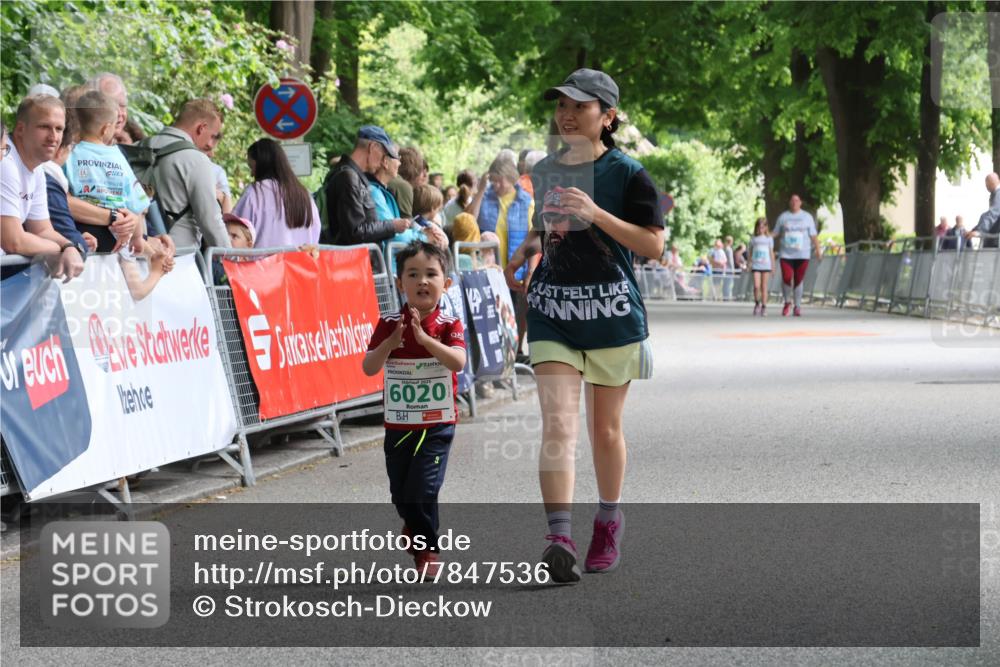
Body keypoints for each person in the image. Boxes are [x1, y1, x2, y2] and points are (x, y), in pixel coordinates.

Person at [504, 69, 664, 583]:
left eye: (580, 105)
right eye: (561, 105)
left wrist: (597, 214)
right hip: (554, 311)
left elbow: (653, 245)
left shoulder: (632, 175)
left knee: (605, 429)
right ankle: (559, 538)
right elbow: (544, 227)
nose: (566, 114)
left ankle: (608, 520)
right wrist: (527, 247)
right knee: (558, 424)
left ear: (608, 116)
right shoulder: (547, 169)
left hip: (612, 315)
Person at [362, 241, 467, 577]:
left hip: (438, 423)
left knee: (424, 488)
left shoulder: (450, 323)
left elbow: (459, 362)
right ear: (399, 283)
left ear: (446, 283)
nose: (423, 281)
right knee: (400, 492)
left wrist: (426, 342)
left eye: (431, 274)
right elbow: (368, 366)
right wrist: (391, 344)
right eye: (413, 274)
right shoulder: (389, 321)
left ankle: (427, 551)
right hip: (399, 423)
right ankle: (413, 526)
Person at [1, 96, 85, 281]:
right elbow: (13, 241)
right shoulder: (5, 161)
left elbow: (41, 229)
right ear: (21, 129)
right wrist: (61, 248)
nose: (53, 137)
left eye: (59, 129)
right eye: (44, 127)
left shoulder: (37, 167)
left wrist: (69, 246)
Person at [65, 90, 150, 253]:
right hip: (117, 235)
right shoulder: (118, 156)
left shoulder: (69, 153)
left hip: (82, 233)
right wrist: (138, 238)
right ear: (105, 129)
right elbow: (136, 205)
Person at [143, 98, 229, 248]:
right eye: (212, 136)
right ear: (201, 128)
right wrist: (232, 258)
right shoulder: (196, 160)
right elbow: (210, 220)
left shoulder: (138, 147)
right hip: (177, 259)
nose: (211, 146)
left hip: (134, 255)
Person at [321, 125, 409, 245]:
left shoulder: (350, 175)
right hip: (351, 261)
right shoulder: (348, 177)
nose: (384, 161)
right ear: (373, 147)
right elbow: (355, 232)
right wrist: (392, 226)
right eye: (384, 154)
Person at [233, 138, 320, 248]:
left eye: (252, 167)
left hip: (263, 264)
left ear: (262, 165)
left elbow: (236, 232)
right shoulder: (304, 194)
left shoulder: (254, 193)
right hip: (300, 263)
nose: (251, 174)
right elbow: (315, 234)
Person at [773, 193, 821, 316]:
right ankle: (787, 302)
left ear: (800, 203)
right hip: (786, 253)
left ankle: (797, 306)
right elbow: (775, 233)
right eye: (792, 200)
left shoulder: (807, 217)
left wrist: (818, 250)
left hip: (803, 253)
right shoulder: (783, 217)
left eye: (797, 200)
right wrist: (762, 236)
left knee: (799, 279)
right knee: (787, 277)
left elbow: (813, 235)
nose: (794, 202)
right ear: (790, 203)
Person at [389, 146, 426, 218]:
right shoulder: (403, 186)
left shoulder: (390, 179)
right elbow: (406, 222)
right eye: (421, 170)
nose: (424, 175)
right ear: (415, 169)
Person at [965, 172, 1000, 248]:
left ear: (992, 182)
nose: (986, 186)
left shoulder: (998, 194)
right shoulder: (995, 194)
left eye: (987, 184)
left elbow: (993, 214)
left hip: (995, 241)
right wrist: (975, 230)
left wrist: (980, 231)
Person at [749, 217, 775, 316]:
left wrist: (773, 266)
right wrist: (749, 263)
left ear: (766, 228)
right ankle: (757, 304)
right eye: (759, 227)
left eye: (763, 227)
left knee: (764, 286)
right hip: (756, 264)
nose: (761, 229)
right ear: (756, 228)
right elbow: (750, 252)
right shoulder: (753, 239)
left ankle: (764, 306)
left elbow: (771, 253)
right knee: (756, 286)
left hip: (766, 265)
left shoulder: (769, 239)